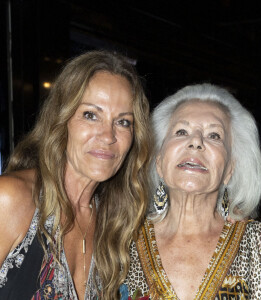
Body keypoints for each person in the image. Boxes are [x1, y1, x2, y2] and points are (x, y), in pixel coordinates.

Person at [0, 50, 151, 300]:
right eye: (91, 115)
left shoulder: (115, 223)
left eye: (123, 122)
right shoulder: (11, 199)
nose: (108, 136)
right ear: (62, 119)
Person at [122, 83, 261, 299]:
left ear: (230, 168)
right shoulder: (122, 238)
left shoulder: (259, 244)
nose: (195, 142)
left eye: (214, 136)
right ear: (159, 162)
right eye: (181, 131)